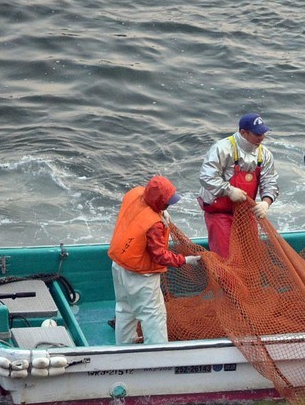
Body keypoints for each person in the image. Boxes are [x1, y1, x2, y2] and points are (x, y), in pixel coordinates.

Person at [108, 175, 200, 345]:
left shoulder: (134, 193)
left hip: (119, 264)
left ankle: (124, 347)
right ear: (158, 201)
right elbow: (160, 255)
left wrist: (161, 211)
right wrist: (185, 260)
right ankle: (158, 356)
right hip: (140, 276)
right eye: (166, 203)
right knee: (153, 315)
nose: (168, 205)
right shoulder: (154, 225)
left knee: (125, 309)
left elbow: (144, 202)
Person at [198, 113, 279, 257]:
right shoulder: (222, 148)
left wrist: (266, 203)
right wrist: (228, 191)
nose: (261, 137)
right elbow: (206, 177)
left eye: (263, 133)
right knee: (226, 257)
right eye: (257, 134)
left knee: (250, 256)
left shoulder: (265, 154)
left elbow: (270, 181)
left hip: (245, 214)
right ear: (243, 133)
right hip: (219, 212)